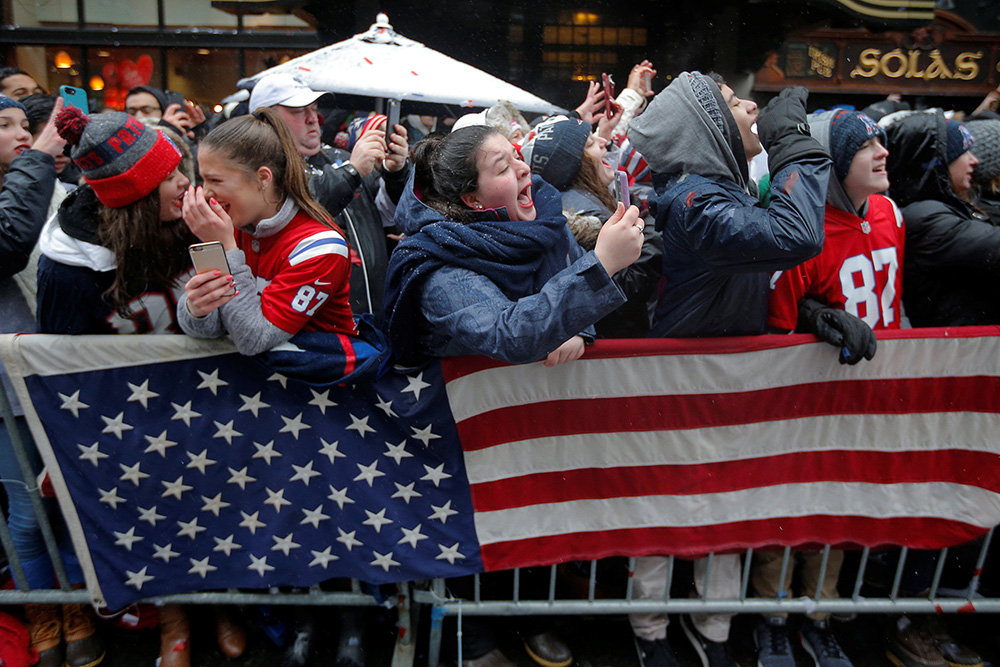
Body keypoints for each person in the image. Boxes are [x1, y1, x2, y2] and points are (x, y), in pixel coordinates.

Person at [383, 125, 643, 666]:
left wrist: (577, 329)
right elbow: (510, 331)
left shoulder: (544, 214)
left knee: (532, 525)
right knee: (470, 535)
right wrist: (605, 264)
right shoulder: (440, 263)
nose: (525, 170)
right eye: (502, 167)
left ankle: (529, 621)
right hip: (457, 439)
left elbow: (568, 296)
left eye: (517, 157)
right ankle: (474, 638)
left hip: (528, 433)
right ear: (471, 201)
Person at [626, 73, 832, 667]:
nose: (750, 105)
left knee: (726, 511)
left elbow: (766, 266)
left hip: (725, 390)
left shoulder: (722, 190)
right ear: (707, 128)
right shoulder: (697, 200)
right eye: (730, 102)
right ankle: (650, 632)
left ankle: (712, 631)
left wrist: (815, 313)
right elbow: (795, 234)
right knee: (664, 517)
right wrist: (793, 140)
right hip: (680, 393)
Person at [757, 109, 899, 667]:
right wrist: (816, 315)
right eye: (865, 145)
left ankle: (818, 614)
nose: (881, 152)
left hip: (864, 393)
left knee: (839, 507)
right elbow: (776, 325)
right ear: (836, 162)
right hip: (805, 398)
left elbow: (895, 302)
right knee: (791, 507)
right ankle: (767, 615)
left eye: (880, 141)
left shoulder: (892, 213)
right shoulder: (804, 230)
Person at [177, 107, 355, 355]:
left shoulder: (321, 246)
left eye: (215, 181)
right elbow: (209, 329)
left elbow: (253, 339)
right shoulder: (229, 226)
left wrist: (226, 249)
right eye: (203, 179)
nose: (205, 193)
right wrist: (196, 309)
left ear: (263, 177)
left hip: (319, 387)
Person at [248, 72, 409, 322]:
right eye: (299, 111)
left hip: (374, 314)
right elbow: (303, 207)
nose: (314, 119)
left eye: (313, 108)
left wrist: (395, 172)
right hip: (317, 326)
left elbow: (391, 214)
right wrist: (353, 171)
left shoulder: (340, 157)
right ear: (266, 119)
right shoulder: (262, 172)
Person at [519, 114, 662, 337]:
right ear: (573, 165)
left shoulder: (580, 202)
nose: (604, 141)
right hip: (615, 344)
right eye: (590, 143)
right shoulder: (588, 218)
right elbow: (626, 287)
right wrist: (652, 220)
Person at [883, 111, 999, 327]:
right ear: (936, 163)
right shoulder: (925, 218)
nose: (974, 161)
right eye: (963, 152)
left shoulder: (942, 208)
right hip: (958, 351)